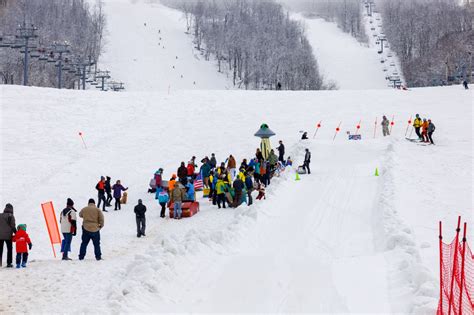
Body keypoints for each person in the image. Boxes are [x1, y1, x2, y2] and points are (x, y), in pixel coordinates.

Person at [0, 203, 16, 267]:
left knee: (0, 249)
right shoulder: (11, 216)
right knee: (9, 249)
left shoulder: (0, 215)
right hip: (8, 236)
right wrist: (16, 233)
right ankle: (9, 263)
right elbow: (13, 226)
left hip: (0, 236)